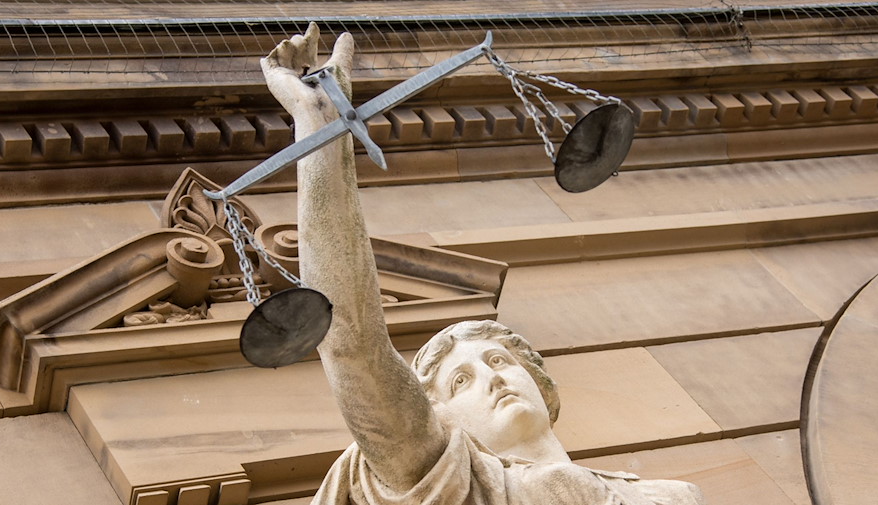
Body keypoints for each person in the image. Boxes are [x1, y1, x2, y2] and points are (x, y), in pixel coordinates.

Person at [260, 24, 705, 505]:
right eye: (460, 381)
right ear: (436, 416)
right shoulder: (451, 479)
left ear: (542, 383)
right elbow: (350, 341)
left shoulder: (671, 496)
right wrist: (319, 122)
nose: (493, 378)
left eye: (498, 361)